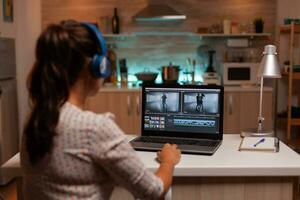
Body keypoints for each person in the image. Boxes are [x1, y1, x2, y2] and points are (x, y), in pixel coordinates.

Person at [20, 20, 181, 200]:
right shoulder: (95, 128)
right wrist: (168, 161)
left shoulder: (35, 120)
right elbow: (153, 191)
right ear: (97, 66)